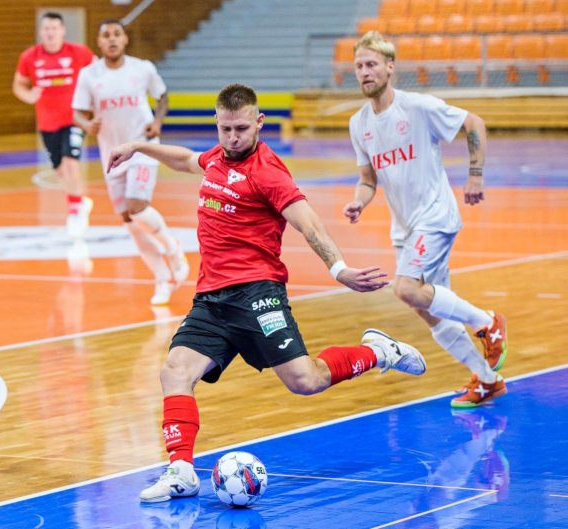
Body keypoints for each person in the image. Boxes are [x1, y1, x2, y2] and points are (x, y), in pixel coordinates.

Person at [107, 83, 428, 503]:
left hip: (258, 294)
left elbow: (309, 224)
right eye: (225, 129)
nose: (233, 137)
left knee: (305, 380)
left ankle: (378, 351)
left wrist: (339, 268)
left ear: (259, 122)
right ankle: (181, 471)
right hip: (211, 299)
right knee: (174, 372)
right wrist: (138, 146)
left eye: (241, 128)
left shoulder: (268, 171)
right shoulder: (216, 159)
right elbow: (188, 160)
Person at [345, 31, 507, 408]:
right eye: (358, 66)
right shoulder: (359, 124)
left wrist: (476, 174)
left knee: (404, 288)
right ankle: (487, 380)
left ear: (390, 67)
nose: (364, 72)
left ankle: (488, 321)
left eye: (371, 64)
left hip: (435, 215)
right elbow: (368, 179)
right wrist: (359, 201)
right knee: (425, 305)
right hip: (404, 227)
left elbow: (474, 123)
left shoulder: (417, 107)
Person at [72, 19, 189, 305]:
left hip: (142, 150)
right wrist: (87, 125)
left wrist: (158, 121)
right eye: (106, 35)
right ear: (99, 42)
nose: (112, 39)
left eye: (117, 34)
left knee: (138, 207)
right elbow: (77, 112)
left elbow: (162, 96)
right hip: (111, 155)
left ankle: (172, 248)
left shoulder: (143, 68)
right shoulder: (89, 75)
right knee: (129, 222)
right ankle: (163, 277)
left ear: (125, 39)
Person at [13, 12, 95, 238]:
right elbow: (19, 85)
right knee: (60, 170)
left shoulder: (78, 52)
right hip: (48, 123)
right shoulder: (30, 57)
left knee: (70, 163)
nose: (50, 32)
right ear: (41, 32)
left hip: (75, 119)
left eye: (54, 28)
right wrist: (28, 95)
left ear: (62, 30)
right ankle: (80, 201)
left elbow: (98, 72)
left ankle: (75, 209)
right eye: (46, 28)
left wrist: (95, 99)